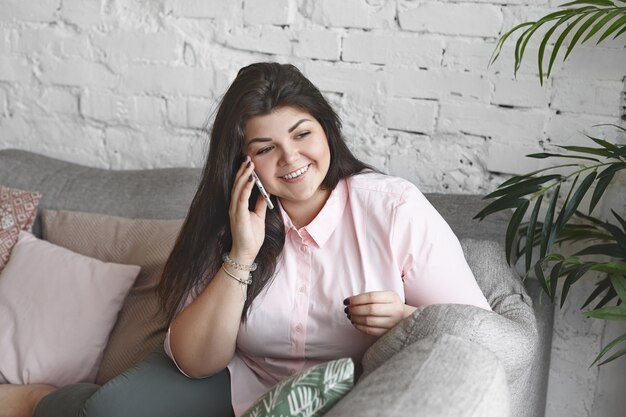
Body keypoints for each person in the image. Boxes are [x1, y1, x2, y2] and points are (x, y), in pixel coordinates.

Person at [156, 62, 492, 417]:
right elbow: (195, 362)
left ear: (327, 130)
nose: (290, 158)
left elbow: (479, 338)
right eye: (266, 149)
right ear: (244, 163)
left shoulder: (395, 208)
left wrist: (406, 319)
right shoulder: (234, 222)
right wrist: (241, 253)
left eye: (302, 135)